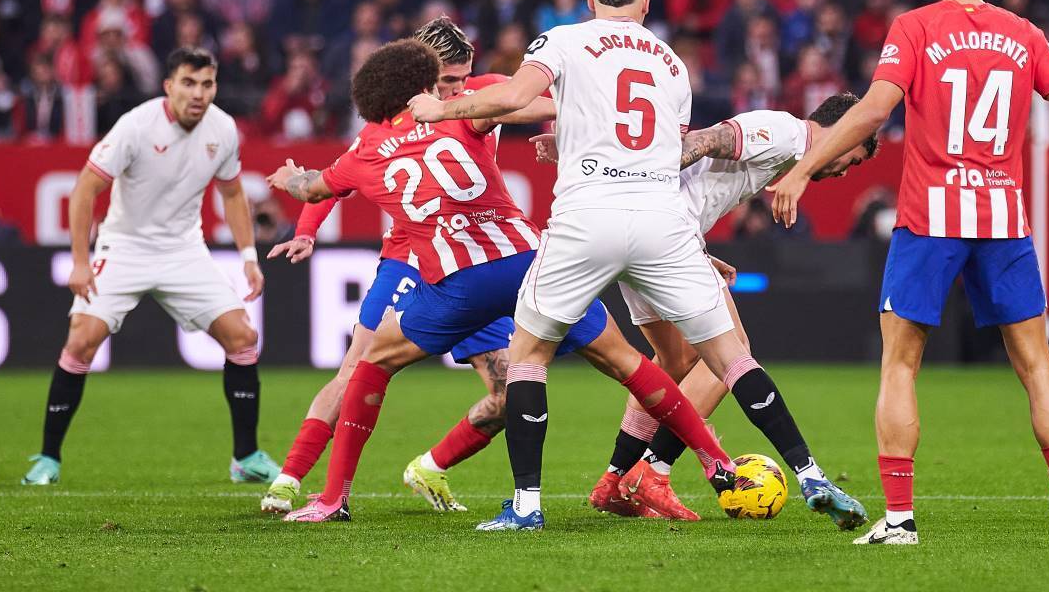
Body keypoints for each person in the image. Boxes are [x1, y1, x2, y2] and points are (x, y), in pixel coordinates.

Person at [409, 0, 859, 533]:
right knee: (732, 358)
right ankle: (811, 475)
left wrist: (437, 109)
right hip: (660, 220)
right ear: (647, 2)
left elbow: (515, 98)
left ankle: (527, 505)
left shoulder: (563, 39)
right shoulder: (672, 63)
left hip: (588, 215)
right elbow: (667, 149)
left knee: (527, 358)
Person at [270, 38, 733, 526]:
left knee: (372, 363)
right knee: (626, 362)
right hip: (531, 264)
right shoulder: (462, 112)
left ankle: (333, 498)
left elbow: (313, 188)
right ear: (425, 85)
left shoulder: (363, 152)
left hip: (459, 284)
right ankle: (716, 460)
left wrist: (287, 178)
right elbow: (521, 105)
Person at [769, 0, 1049, 546]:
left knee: (900, 366)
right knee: (1038, 366)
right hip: (1003, 219)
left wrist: (803, 168)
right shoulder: (1025, 34)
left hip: (931, 219)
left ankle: (900, 520)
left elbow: (874, 110)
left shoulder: (915, 28)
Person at [531, 94, 875, 525]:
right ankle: (654, 471)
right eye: (852, 158)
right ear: (843, 130)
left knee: (674, 360)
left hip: (639, 233)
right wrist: (644, 177)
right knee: (731, 353)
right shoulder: (786, 134)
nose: (844, 171)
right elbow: (704, 140)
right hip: (664, 232)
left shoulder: (786, 150)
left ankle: (615, 479)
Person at [258, 16, 523, 514]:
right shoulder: (384, 125)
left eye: (463, 77)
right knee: (356, 367)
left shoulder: (486, 91)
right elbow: (334, 178)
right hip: (412, 257)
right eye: (446, 80)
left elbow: (546, 93)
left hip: (474, 259)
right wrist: (307, 230)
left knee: (511, 395)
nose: (456, 90)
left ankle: (431, 466)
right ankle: (290, 478)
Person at [22, 48, 280, 487]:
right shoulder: (136, 126)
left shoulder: (222, 128)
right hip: (124, 247)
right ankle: (48, 459)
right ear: (168, 86)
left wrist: (249, 258)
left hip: (184, 250)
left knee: (243, 336)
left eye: (207, 84)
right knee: (81, 341)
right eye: (188, 83)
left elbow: (234, 194)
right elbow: (84, 190)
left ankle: (246, 457)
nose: (198, 94)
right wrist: (81, 262)